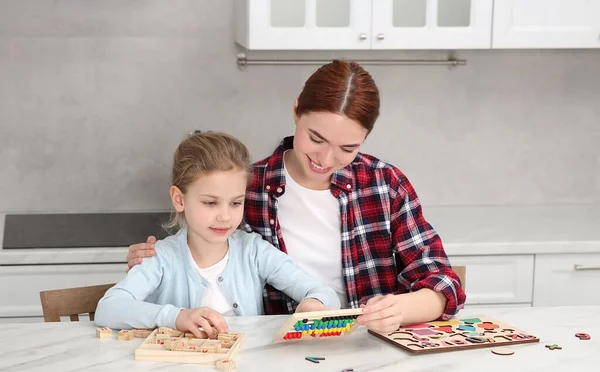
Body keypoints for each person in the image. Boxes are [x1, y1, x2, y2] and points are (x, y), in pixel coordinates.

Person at [126, 60, 466, 334]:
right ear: (296, 112)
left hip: (374, 346)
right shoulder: (249, 189)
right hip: (282, 354)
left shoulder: (383, 183)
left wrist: (401, 309)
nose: (326, 159)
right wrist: (155, 262)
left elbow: (444, 283)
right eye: (316, 138)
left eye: (348, 148)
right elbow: (200, 255)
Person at [95, 132, 340, 338]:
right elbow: (108, 309)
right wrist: (177, 317)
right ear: (179, 199)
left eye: (235, 203)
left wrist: (315, 304)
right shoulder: (161, 258)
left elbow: (324, 293)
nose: (225, 216)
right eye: (211, 203)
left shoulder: (253, 251)